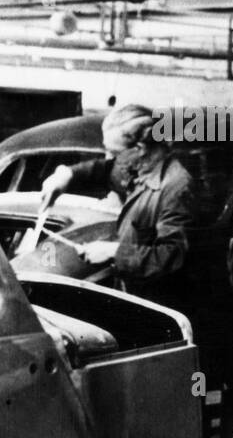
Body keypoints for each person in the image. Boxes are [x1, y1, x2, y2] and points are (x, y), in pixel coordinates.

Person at [39, 103, 196, 310]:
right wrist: (66, 176)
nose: (108, 157)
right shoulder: (138, 165)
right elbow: (105, 170)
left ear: (139, 149)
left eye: (113, 152)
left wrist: (114, 251)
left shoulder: (176, 187)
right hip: (132, 295)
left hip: (157, 306)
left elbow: (172, 256)